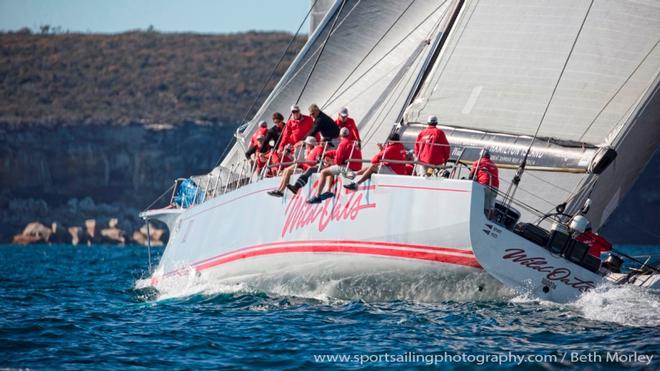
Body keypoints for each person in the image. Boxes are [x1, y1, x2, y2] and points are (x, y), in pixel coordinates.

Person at [307, 127, 362, 204]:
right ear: (348, 135)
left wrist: (329, 161)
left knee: (324, 172)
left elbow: (338, 162)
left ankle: (317, 196)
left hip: (348, 168)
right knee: (331, 170)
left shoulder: (342, 144)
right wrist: (326, 154)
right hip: (357, 167)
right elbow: (337, 153)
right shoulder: (353, 143)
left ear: (340, 135)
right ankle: (329, 190)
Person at [343, 132, 408, 190]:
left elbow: (374, 160)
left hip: (395, 172)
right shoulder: (400, 146)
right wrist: (382, 149)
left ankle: (356, 184)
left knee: (373, 167)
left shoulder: (391, 148)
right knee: (375, 166)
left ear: (390, 141)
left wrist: (384, 149)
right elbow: (391, 155)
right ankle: (354, 174)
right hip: (399, 171)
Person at [468, 149, 499, 217]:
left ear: (481, 155)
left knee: (479, 204)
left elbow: (470, 176)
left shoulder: (478, 162)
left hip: (484, 185)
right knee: (489, 207)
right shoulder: (494, 165)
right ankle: (490, 219)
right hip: (495, 188)